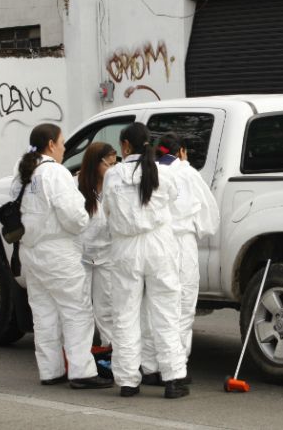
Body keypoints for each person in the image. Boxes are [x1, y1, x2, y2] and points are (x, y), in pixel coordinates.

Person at [10, 123, 113, 390]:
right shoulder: (55, 173)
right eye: (63, 142)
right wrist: (82, 224)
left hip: (30, 251)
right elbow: (75, 216)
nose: (65, 148)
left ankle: (50, 370)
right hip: (58, 252)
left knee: (44, 314)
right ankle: (81, 372)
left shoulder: (22, 171)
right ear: (51, 144)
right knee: (77, 312)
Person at [101, 122, 189, 398]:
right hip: (159, 245)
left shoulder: (113, 175)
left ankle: (128, 381)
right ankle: (173, 378)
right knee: (166, 313)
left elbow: (106, 211)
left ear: (126, 146)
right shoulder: (163, 173)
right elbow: (174, 200)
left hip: (125, 248)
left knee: (125, 314)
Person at [140, 133, 219, 386]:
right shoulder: (187, 173)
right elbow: (209, 216)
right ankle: (175, 367)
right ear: (182, 151)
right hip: (182, 244)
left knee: (151, 306)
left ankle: (149, 366)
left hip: (154, 243)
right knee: (182, 306)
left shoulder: (148, 172)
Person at [75, 142, 117, 355]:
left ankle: (109, 351)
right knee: (80, 306)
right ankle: (79, 352)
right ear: (95, 163)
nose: (112, 169)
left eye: (115, 164)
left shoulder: (114, 185)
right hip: (80, 255)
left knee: (106, 306)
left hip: (106, 254)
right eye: (108, 164)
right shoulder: (76, 185)